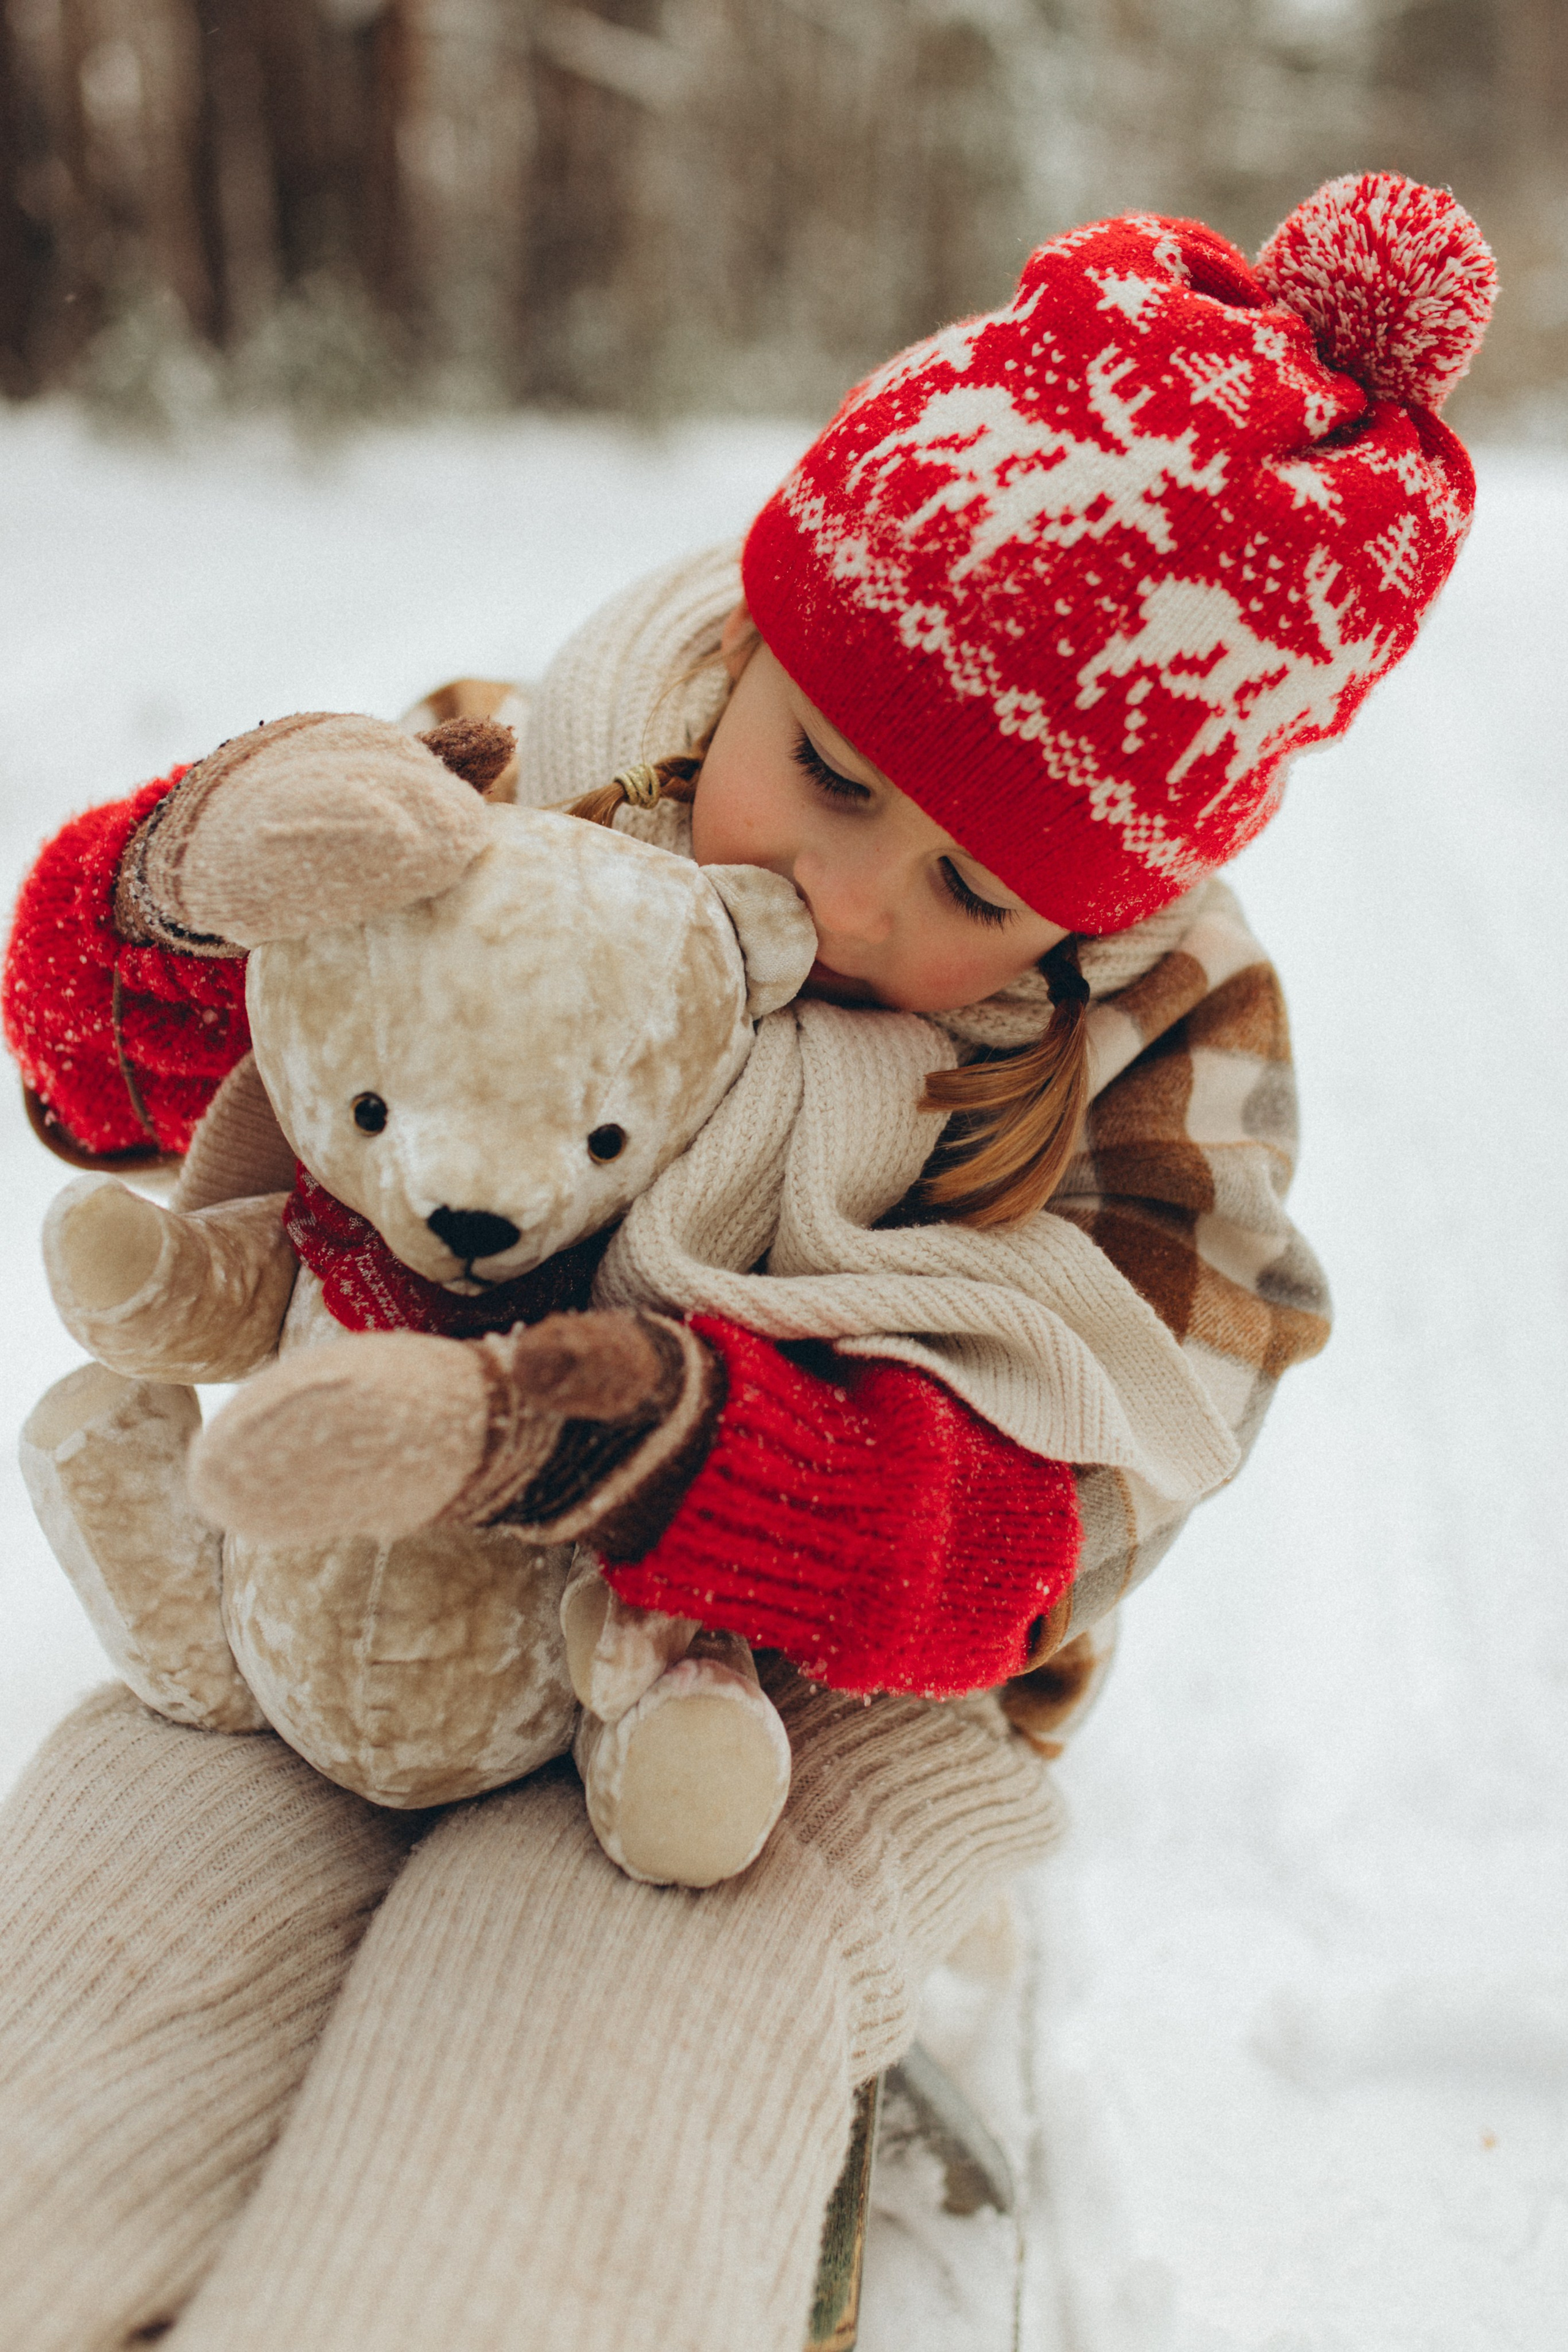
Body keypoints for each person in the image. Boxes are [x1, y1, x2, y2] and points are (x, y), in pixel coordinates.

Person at [0, 172, 1493, 2351]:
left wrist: (669, 1458)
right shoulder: (530, 794)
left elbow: (1066, 1513)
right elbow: (94, 1071)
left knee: (565, 2078)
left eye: (977, 882)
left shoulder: (1165, 1041)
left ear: (1102, 903)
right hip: (339, 1577)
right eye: (835, 769)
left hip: (793, 1696)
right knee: (102, 1955)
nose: (862, 899)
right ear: (767, 640)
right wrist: (179, 890)